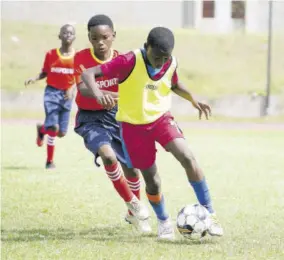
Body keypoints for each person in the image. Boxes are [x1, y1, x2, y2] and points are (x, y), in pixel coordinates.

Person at [81, 26, 224, 240]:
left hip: (161, 119)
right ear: (146, 46)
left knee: (188, 157)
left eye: (165, 58)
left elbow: (174, 83)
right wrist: (98, 93)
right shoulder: (129, 60)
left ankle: (210, 214)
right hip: (133, 127)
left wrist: (193, 98)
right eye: (157, 57)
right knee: (152, 180)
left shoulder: (170, 62)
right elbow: (88, 73)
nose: (160, 62)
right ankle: (164, 221)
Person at [73, 14, 150, 232]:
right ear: (88, 37)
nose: (100, 42)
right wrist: (99, 94)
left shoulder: (122, 61)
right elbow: (83, 89)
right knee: (107, 155)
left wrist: (113, 98)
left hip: (117, 117)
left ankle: (133, 216)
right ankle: (133, 204)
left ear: (113, 36)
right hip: (90, 119)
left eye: (105, 37)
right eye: (94, 38)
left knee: (133, 170)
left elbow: (130, 92)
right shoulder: (80, 58)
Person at [25, 24, 76, 169]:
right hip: (52, 93)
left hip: (67, 96)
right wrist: (35, 78)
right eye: (64, 33)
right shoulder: (51, 54)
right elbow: (44, 72)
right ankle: (49, 161)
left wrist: (71, 89)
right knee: (53, 127)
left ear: (74, 37)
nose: (67, 35)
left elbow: (79, 77)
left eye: (70, 33)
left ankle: (42, 130)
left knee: (61, 132)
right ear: (59, 36)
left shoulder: (77, 57)